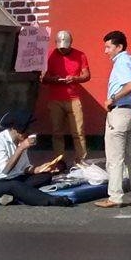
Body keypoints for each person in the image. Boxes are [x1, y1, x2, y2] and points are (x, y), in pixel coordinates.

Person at [95, 30, 131, 208]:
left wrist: (112, 99)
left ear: (119, 47)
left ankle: (115, 196)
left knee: (115, 158)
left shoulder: (122, 62)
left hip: (119, 113)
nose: (106, 51)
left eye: (108, 47)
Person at [0, 109, 72, 207]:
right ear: (17, 129)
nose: (28, 133)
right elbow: (5, 170)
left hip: (16, 178)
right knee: (15, 186)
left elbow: (24, 168)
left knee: (45, 176)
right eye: (26, 130)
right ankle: (52, 200)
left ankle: (13, 197)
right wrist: (21, 148)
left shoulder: (21, 141)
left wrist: (38, 169)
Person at [41, 30, 91, 164]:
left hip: (74, 98)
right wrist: (54, 79)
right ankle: (59, 161)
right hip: (55, 99)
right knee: (57, 132)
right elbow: (43, 78)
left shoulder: (80, 55)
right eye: (61, 47)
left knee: (78, 132)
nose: (63, 50)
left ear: (70, 44)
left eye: (65, 47)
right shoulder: (50, 54)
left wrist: (75, 78)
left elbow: (87, 75)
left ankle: (81, 160)